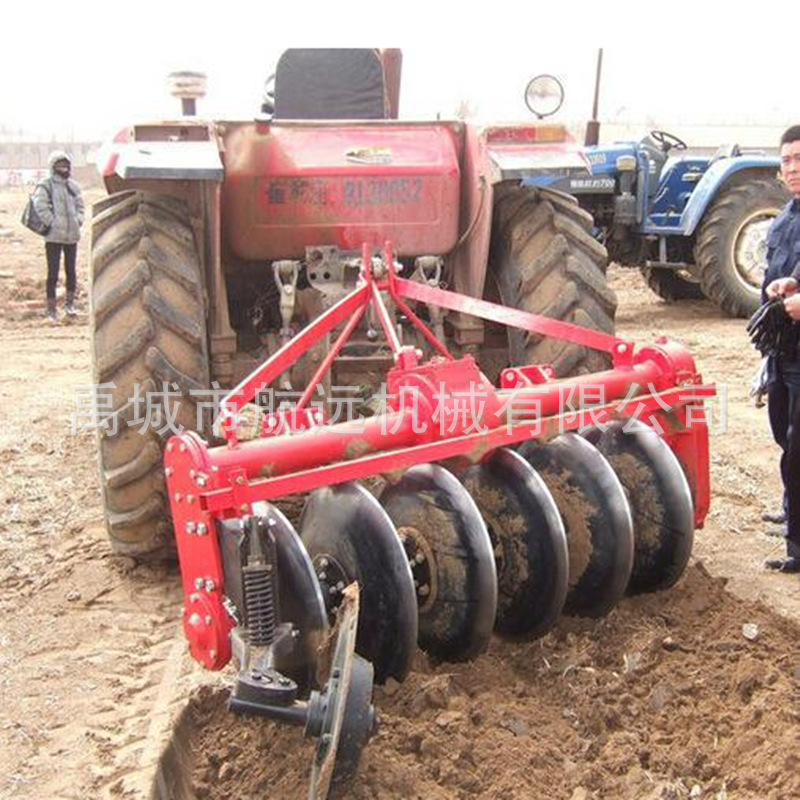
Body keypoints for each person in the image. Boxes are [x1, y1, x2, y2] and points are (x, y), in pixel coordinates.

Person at [760, 124, 800, 573]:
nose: (793, 167)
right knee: (785, 439)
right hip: (783, 353)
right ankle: (793, 510)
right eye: (787, 159)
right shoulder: (786, 218)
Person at [32, 151, 85, 322]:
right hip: (53, 237)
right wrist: (52, 223)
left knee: (71, 271)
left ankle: (70, 305)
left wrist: (78, 220)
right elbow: (39, 206)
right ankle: (51, 310)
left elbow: (80, 205)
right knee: (53, 273)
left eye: (66, 165)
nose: (64, 168)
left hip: (72, 236)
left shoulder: (72, 186)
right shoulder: (45, 185)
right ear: (53, 166)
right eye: (60, 165)